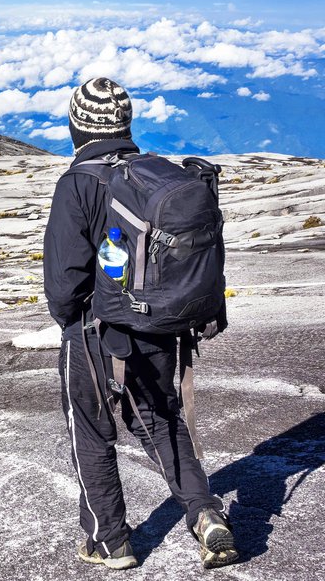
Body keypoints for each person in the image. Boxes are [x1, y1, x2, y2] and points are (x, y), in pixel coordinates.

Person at [43, 77, 238, 570]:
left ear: (76, 127)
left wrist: (73, 324)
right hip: (159, 326)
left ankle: (109, 542)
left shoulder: (79, 184)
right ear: (126, 126)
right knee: (161, 421)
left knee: (90, 430)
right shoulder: (152, 174)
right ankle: (206, 513)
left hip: (95, 334)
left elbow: (64, 284)